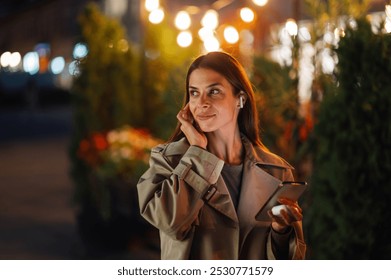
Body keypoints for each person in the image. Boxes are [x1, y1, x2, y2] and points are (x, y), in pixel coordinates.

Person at [137, 51, 306, 260]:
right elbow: (171, 222)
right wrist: (197, 151)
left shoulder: (276, 171)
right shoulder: (169, 160)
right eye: (194, 93)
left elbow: (294, 261)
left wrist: (281, 231)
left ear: (240, 99)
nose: (202, 103)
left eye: (214, 91)